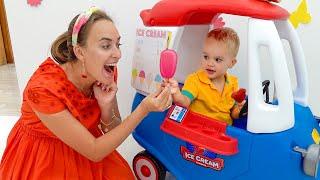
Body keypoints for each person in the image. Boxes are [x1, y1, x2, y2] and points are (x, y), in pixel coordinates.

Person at [0, 7, 172, 180]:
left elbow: (112, 129)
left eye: (117, 44)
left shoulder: (105, 73)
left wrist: (106, 105)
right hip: (44, 156)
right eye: (106, 46)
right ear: (80, 52)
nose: (118, 54)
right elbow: (95, 151)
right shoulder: (43, 89)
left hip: (89, 146)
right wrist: (143, 109)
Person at [164, 27, 246, 125]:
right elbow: (185, 102)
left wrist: (241, 110)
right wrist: (177, 95)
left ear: (231, 63)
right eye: (206, 57)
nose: (210, 63)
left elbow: (233, 113)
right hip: (198, 130)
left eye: (217, 60)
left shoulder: (233, 83)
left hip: (224, 133)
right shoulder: (194, 80)